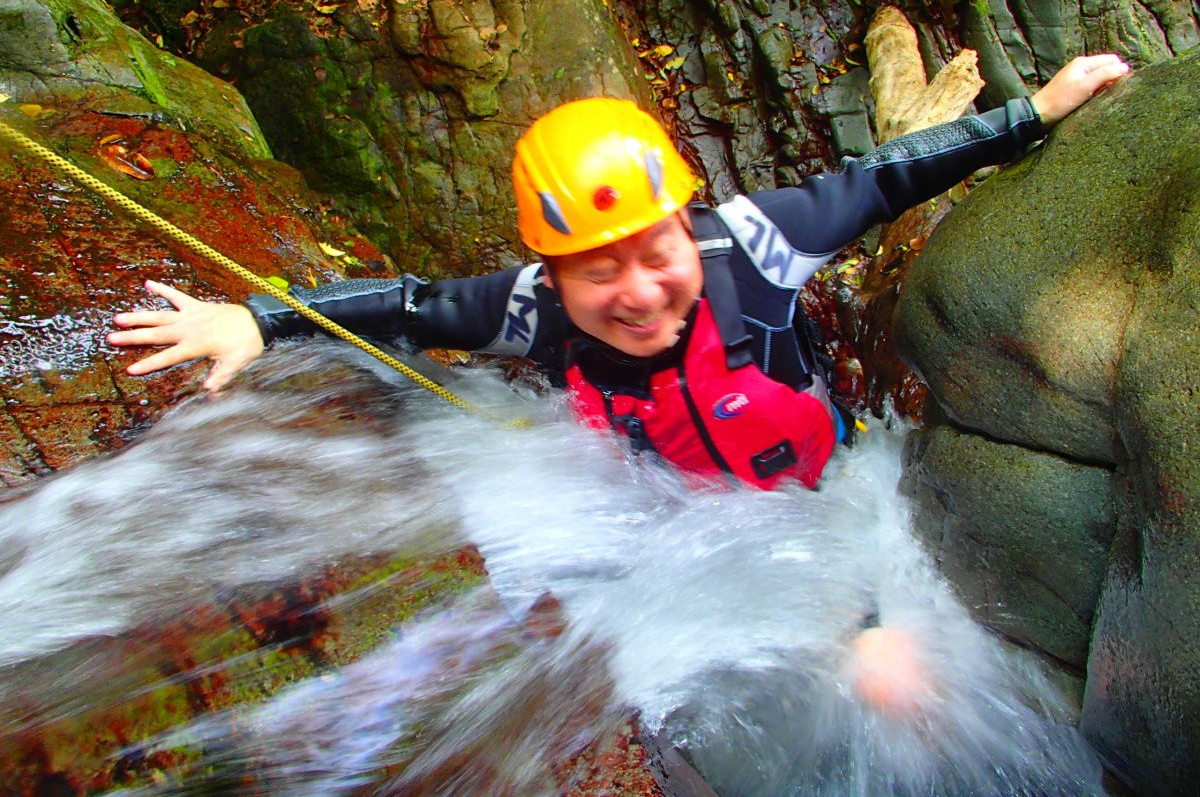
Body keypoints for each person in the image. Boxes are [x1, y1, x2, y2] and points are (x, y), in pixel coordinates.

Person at [108, 54, 1127, 715]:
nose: (638, 292)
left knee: (888, 688)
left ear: (687, 221)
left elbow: (889, 175)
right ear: (554, 271)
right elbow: (403, 307)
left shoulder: (760, 245)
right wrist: (259, 317)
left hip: (831, 499)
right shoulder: (528, 311)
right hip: (663, 511)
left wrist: (1035, 112)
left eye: (654, 251)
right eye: (598, 268)